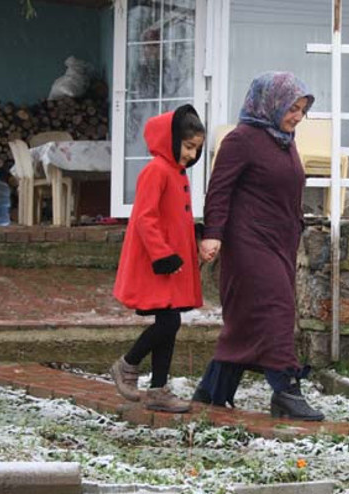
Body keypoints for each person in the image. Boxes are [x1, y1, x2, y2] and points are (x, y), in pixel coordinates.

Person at [193, 72, 324, 421]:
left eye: (301, 110)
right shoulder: (242, 139)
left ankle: (211, 391)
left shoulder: (284, 139)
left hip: (280, 242)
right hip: (247, 242)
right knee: (277, 309)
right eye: (291, 108)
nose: (296, 117)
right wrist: (213, 233)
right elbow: (219, 190)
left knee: (247, 320)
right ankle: (285, 391)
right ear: (271, 103)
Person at [110, 104, 205, 413]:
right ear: (172, 139)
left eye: (196, 149)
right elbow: (145, 219)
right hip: (158, 263)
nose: (192, 154)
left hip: (172, 265)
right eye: (189, 146)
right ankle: (128, 364)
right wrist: (163, 254)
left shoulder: (175, 173)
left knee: (170, 321)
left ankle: (157, 391)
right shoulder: (156, 170)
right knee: (169, 321)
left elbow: (172, 217)